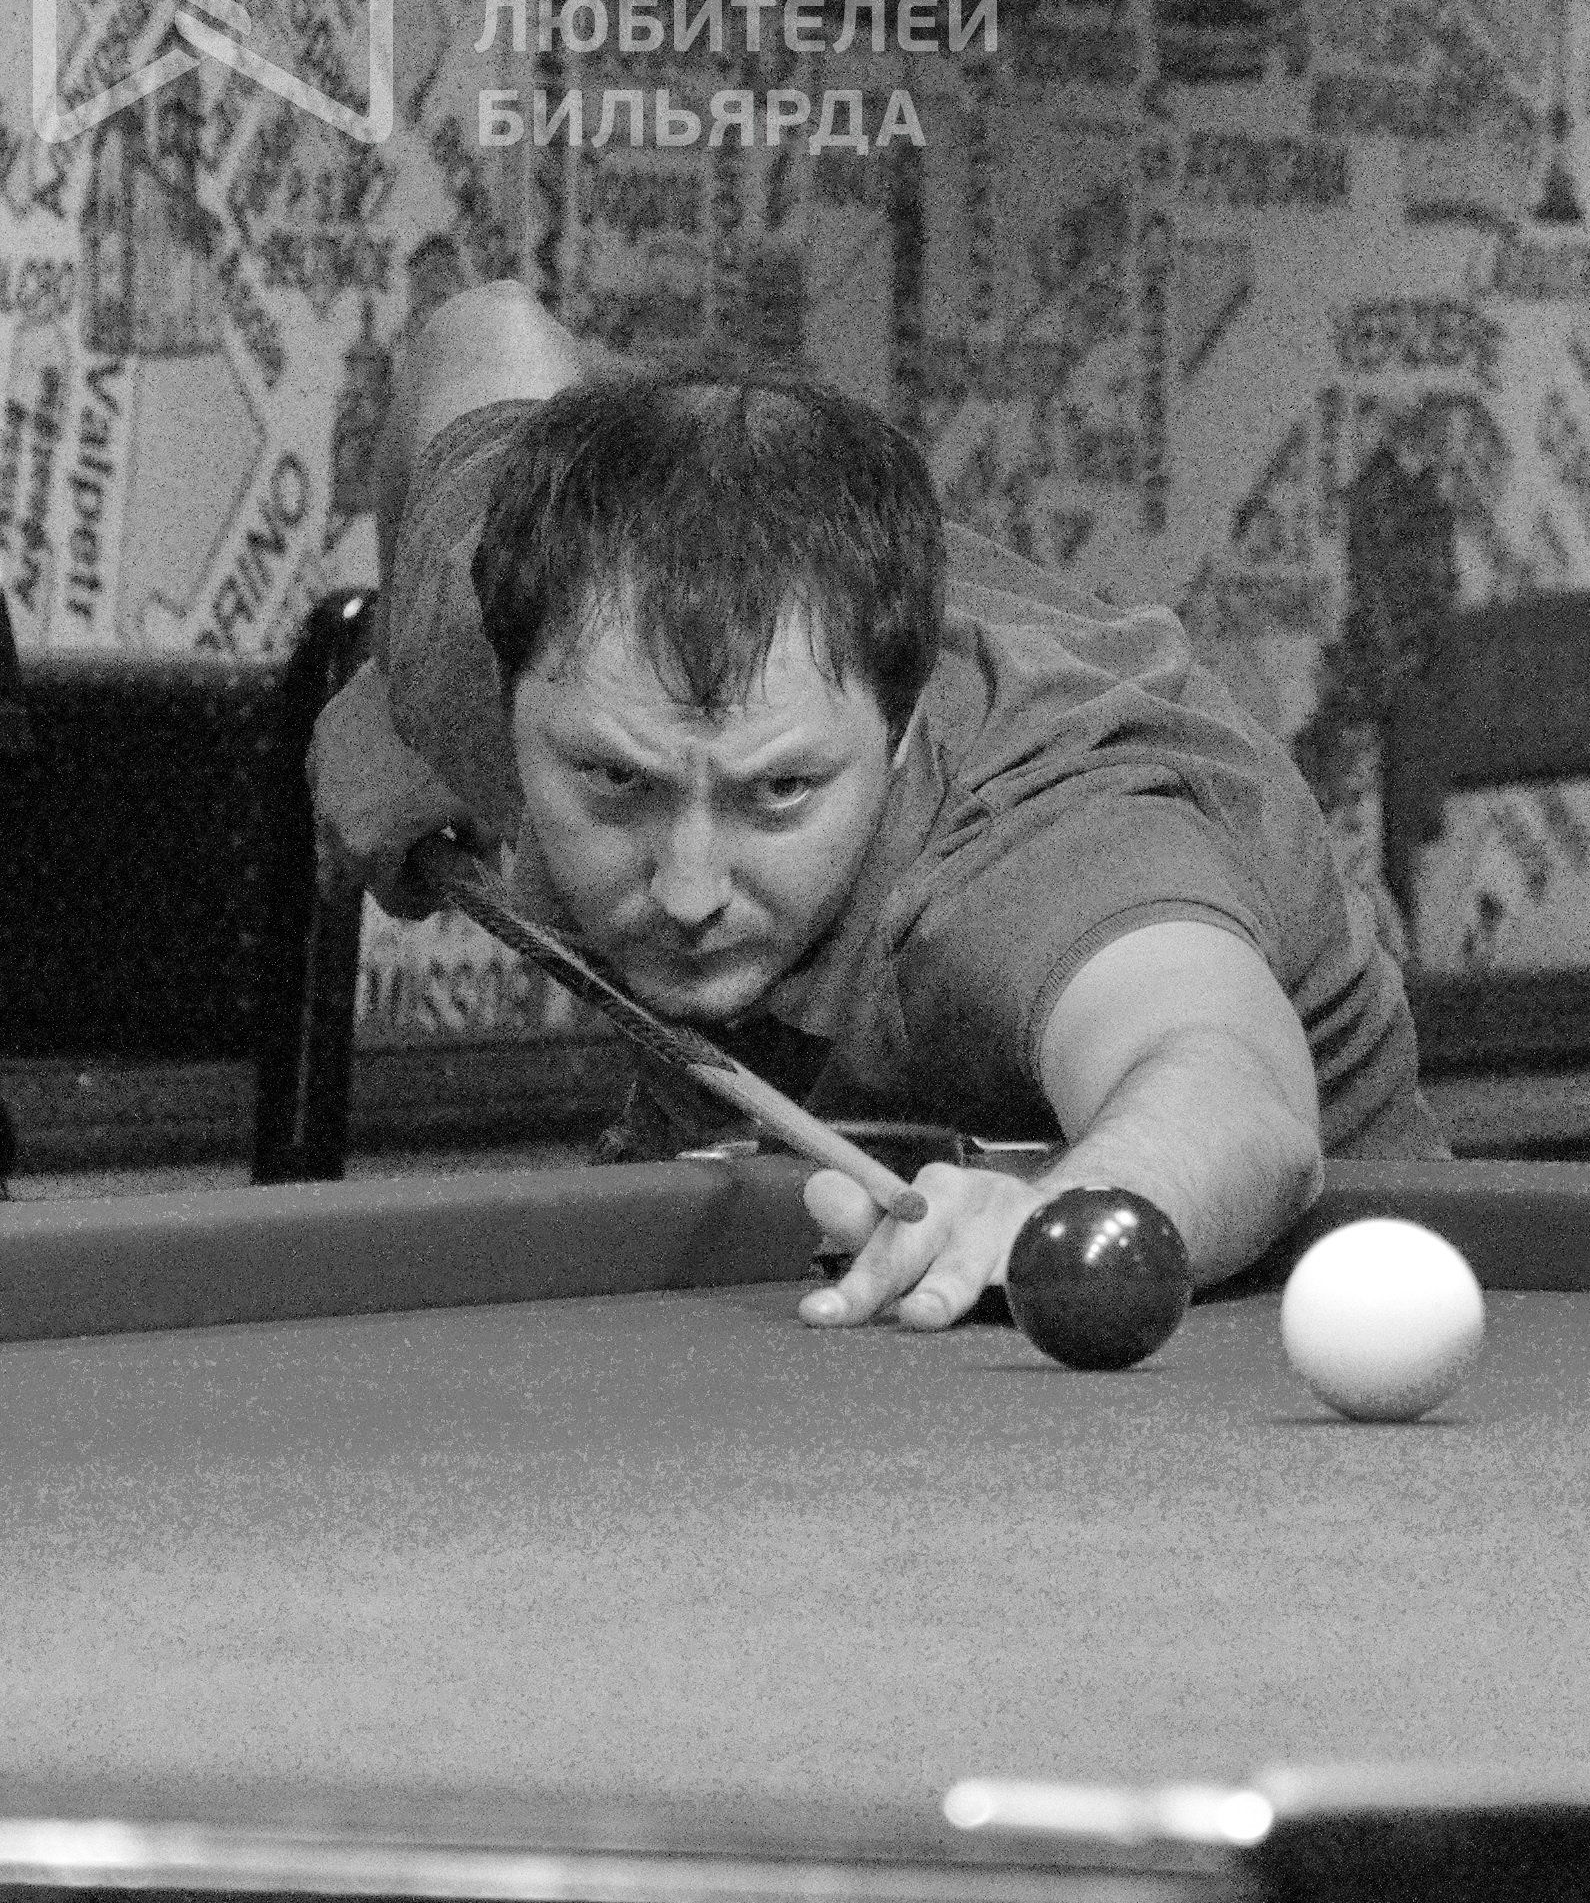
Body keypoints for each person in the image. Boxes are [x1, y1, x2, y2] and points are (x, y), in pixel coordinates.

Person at [309, 281, 1445, 1331]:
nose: (690, 890)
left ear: (899, 737)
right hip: (785, 1204)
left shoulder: (1032, 844)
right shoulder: (479, 649)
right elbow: (487, 330)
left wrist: (1066, 1209)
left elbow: (1231, 1090)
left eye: (779, 791)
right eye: (616, 782)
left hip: (1287, 1289)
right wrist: (402, 696)